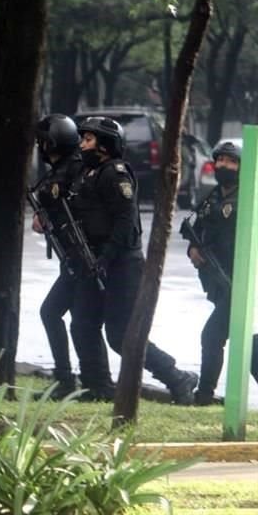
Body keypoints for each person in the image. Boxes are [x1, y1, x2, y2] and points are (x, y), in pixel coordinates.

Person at [69, 116, 198, 404]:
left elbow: (125, 221)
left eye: (88, 139)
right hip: (95, 261)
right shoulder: (88, 173)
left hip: (122, 264)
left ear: (104, 146)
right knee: (82, 324)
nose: (82, 144)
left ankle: (176, 376)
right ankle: (97, 386)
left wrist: (107, 257)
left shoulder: (115, 174)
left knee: (121, 335)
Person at [30, 114, 111, 399]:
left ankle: (98, 384)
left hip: (88, 257)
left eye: (42, 142)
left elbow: (80, 206)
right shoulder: (59, 169)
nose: (39, 147)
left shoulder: (76, 167)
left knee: (83, 321)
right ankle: (67, 380)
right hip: (72, 258)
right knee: (53, 312)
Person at [182, 140, 258, 403]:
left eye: (232, 161)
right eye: (221, 160)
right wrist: (193, 248)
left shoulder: (250, 198)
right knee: (242, 338)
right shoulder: (211, 196)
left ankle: (203, 396)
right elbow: (193, 227)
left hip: (240, 281)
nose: (224, 165)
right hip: (217, 280)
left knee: (213, 335)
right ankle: (204, 396)